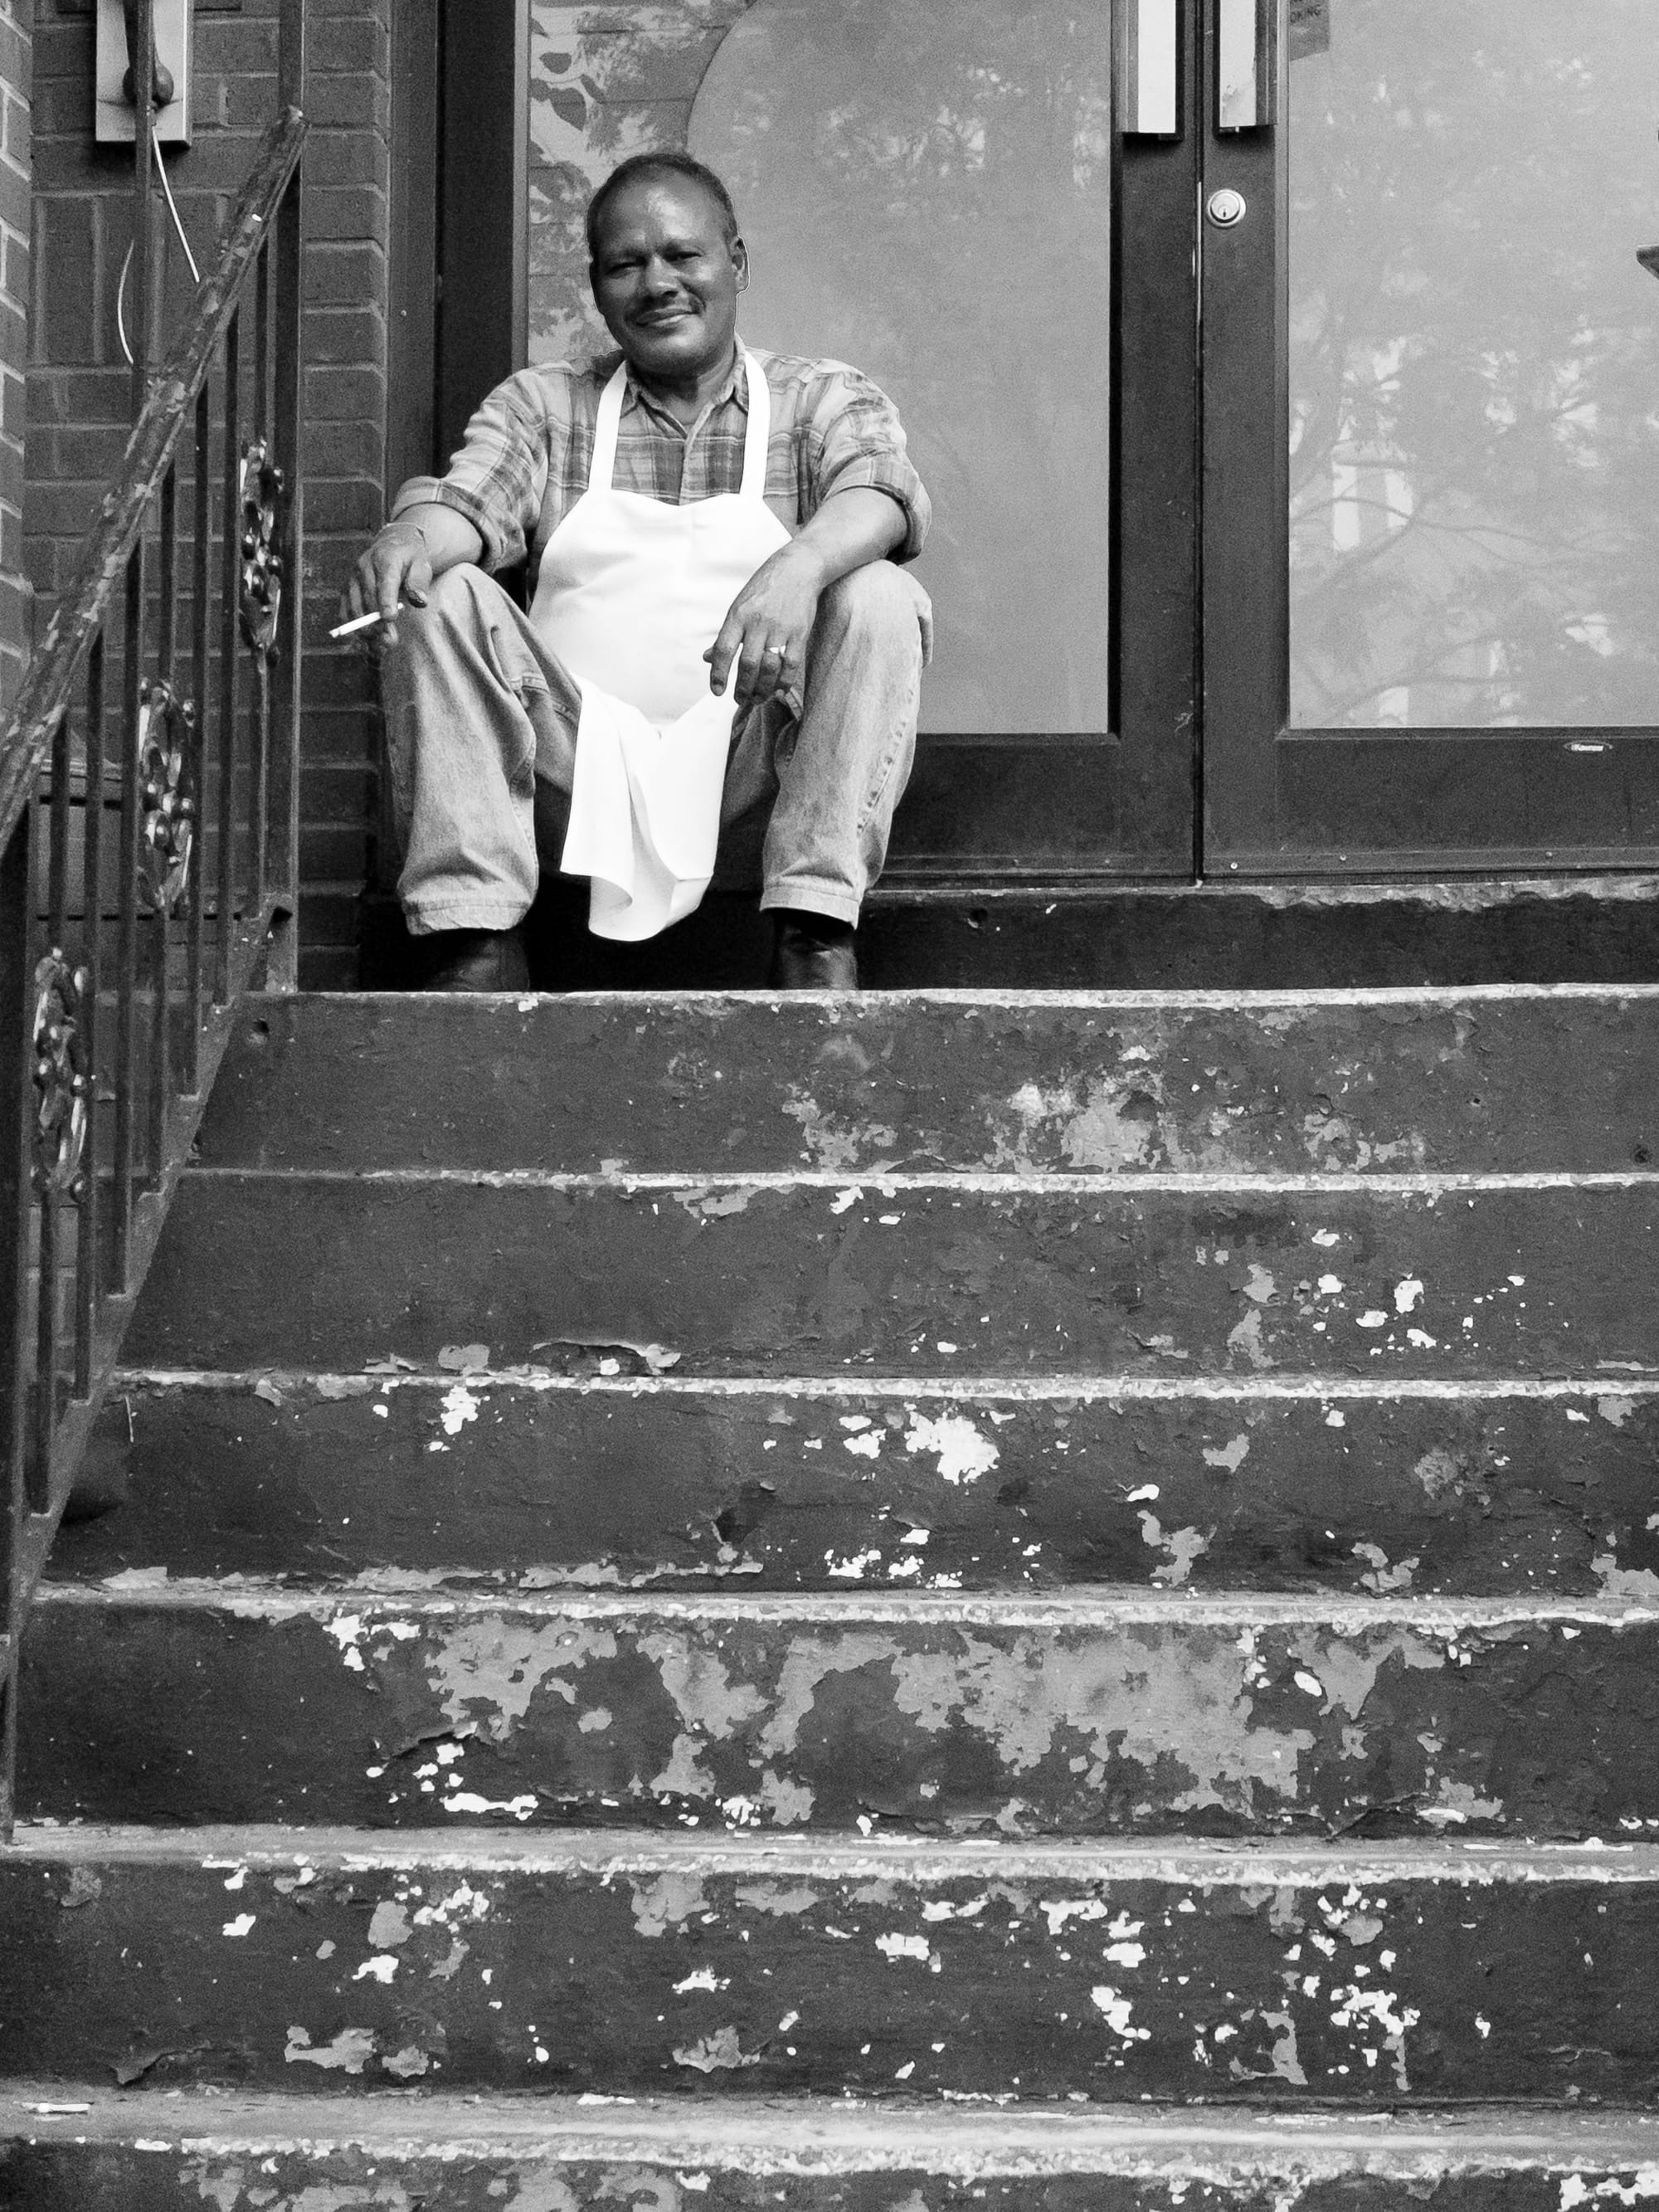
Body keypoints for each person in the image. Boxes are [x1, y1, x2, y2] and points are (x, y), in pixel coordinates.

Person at [343, 149, 932, 991]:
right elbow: (467, 506)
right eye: (626, 265)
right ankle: (474, 940)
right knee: (439, 594)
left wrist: (797, 569)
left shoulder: (819, 398)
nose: (657, 283)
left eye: (682, 255)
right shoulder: (545, 404)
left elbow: (884, 493)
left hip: (751, 787)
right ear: (597, 286)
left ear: (736, 263)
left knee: (878, 592)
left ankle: (813, 934)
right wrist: (409, 540)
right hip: (569, 785)